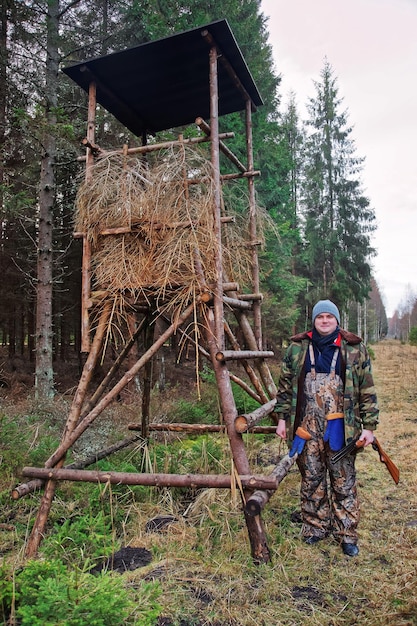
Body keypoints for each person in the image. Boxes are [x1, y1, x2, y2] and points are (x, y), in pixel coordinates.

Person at [274, 299, 379, 557]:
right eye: (320, 317)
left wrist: (369, 427)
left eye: (329, 317)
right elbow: (285, 386)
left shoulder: (353, 349)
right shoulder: (297, 349)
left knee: (343, 480)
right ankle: (315, 527)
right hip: (305, 427)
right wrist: (281, 419)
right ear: (314, 321)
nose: (324, 321)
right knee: (311, 478)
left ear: (337, 321)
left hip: (341, 429)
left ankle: (347, 534)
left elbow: (367, 390)